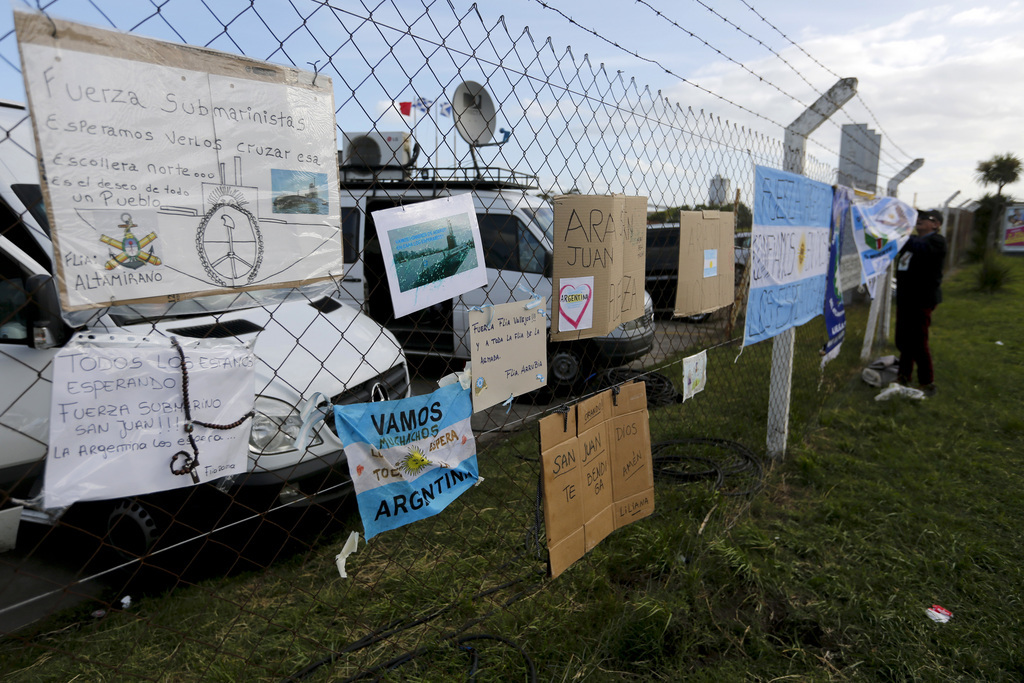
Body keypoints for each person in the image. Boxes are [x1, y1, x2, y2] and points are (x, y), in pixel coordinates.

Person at [894, 208, 947, 396]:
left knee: (918, 340)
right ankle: (903, 376)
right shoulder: (913, 241)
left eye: (926, 219)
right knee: (903, 339)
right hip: (905, 299)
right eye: (918, 218)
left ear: (936, 224)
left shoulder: (936, 242)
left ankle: (927, 382)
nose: (920, 221)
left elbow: (918, 247)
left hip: (921, 299)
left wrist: (900, 231)